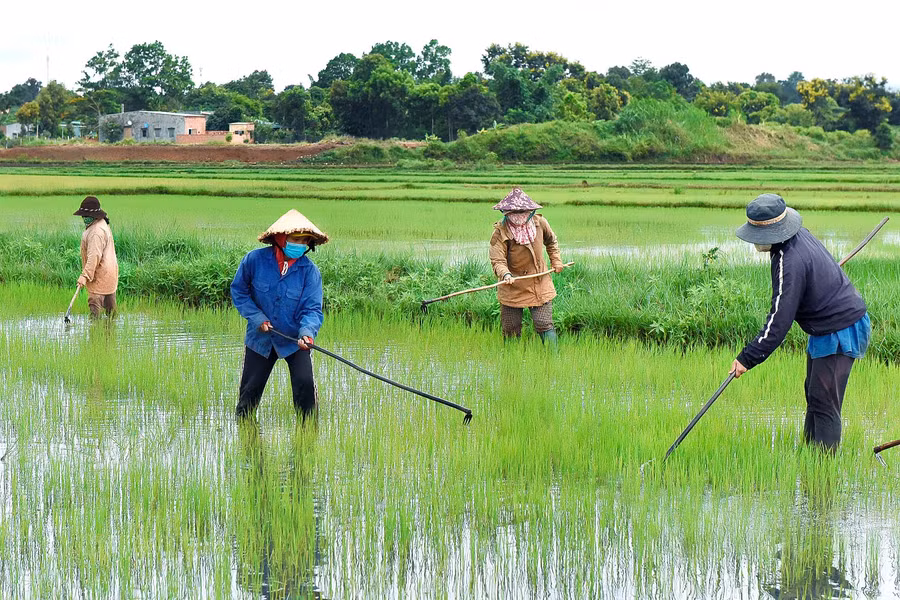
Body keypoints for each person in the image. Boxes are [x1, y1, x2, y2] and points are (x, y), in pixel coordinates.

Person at [729, 194, 870, 451]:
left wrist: (747, 358)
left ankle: (823, 469)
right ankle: (809, 457)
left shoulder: (788, 260)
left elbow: (779, 320)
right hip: (824, 328)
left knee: (825, 403)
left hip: (841, 329)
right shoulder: (796, 237)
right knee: (814, 396)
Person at [231, 209, 328, 420]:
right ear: (281, 238)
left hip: (295, 340)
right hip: (260, 339)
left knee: (305, 386)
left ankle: (307, 433)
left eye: (304, 241)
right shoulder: (254, 261)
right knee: (249, 394)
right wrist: (257, 318)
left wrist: (307, 332)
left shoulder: (310, 272)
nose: (300, 244)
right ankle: (245, 434)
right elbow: (239, 291)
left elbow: (312, 309)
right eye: (296, 239)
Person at [489, 188, 565, 344]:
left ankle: (553, 356)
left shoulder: (540, 223)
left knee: (544, 323)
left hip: (538, 282)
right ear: (506, 213)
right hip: (512, 284)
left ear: (530, 211)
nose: (518, 216)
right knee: (510, 327)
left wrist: (556, 261)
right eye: (513, 212)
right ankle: (512, 356)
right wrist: (505, 274)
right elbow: (498, 260)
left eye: (522, 212)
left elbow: (551, 242)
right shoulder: (500, 232)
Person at [74, 196, 119, 318]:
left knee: (95, 309)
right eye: (83, 216)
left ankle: (95, 329)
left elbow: (94, 256)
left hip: (99, 274)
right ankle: (111, 328)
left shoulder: (95, 232)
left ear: (93, 216)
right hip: (110, 273)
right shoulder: (102, 223)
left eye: (86, 215)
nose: (84, 218)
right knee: (111, 312)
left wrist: (85, 276)